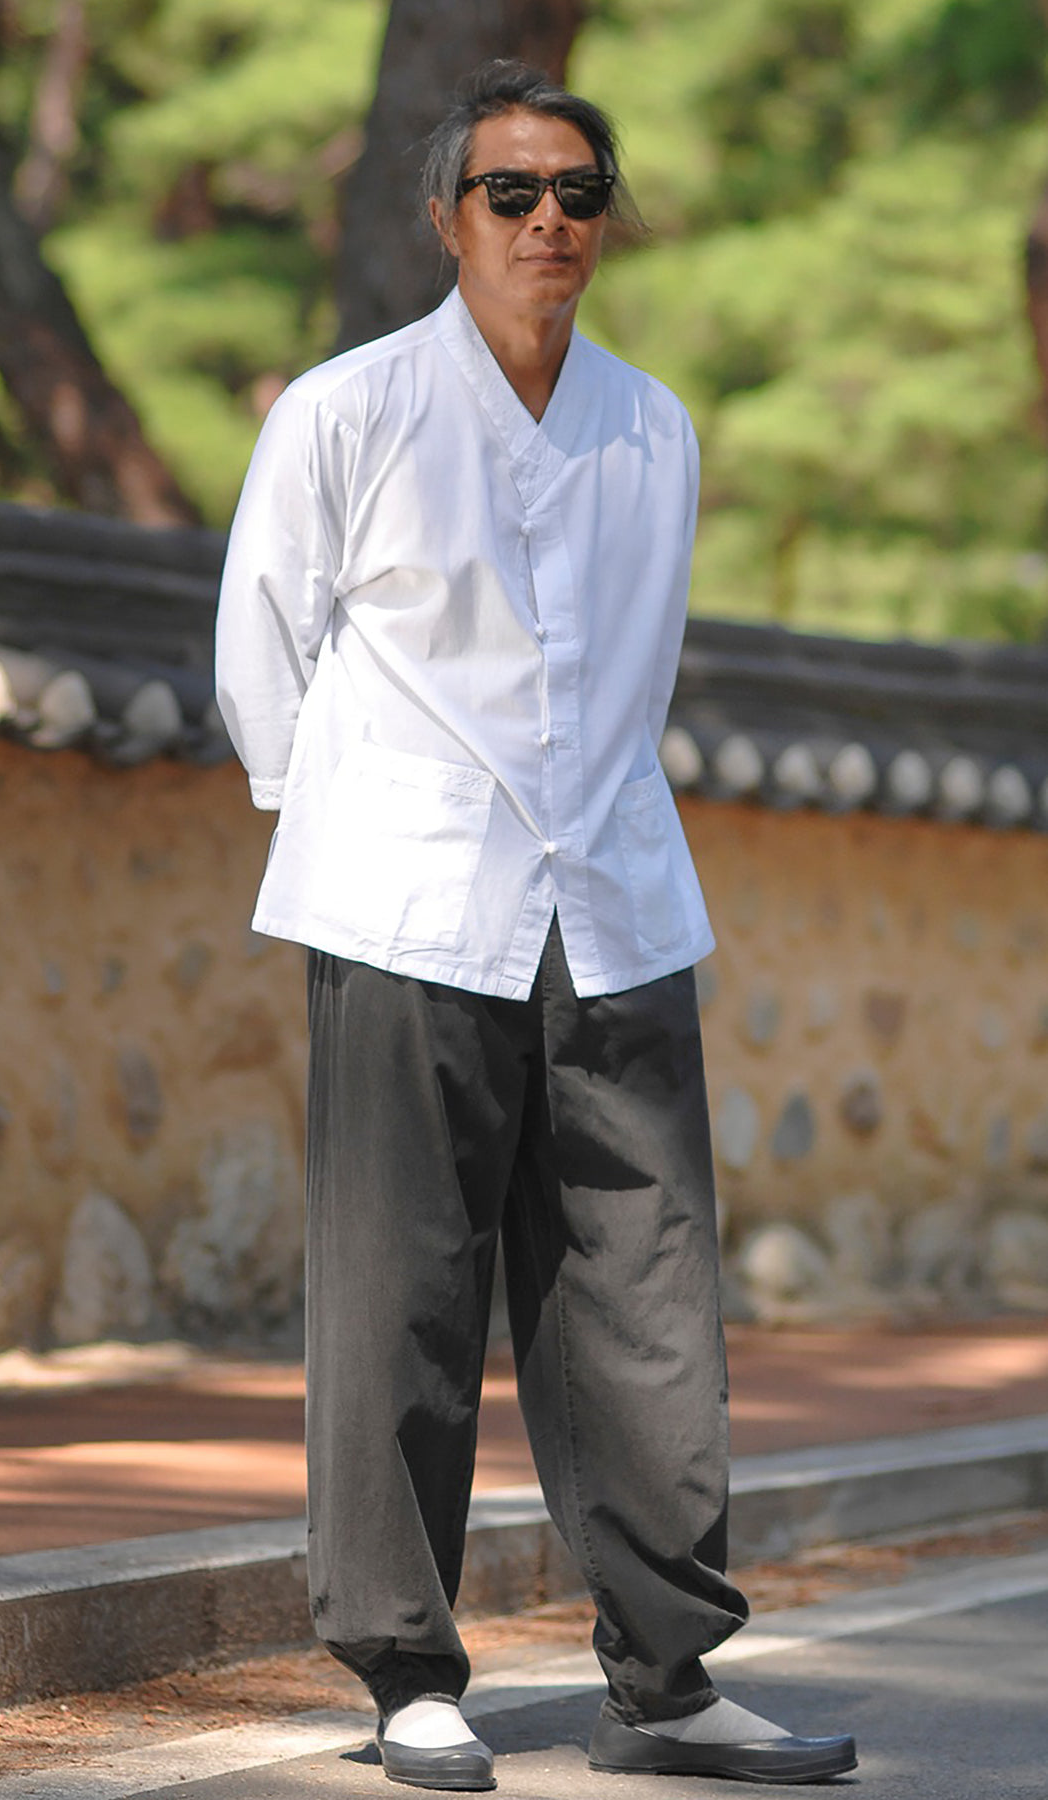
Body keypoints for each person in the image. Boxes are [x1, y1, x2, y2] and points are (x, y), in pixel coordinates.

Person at [216, 58, 856, 1793]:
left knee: (645, 1298)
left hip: (615, 904)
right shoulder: (348, 410)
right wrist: (349, 827)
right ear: (448, 216)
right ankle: (406, 1674)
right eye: (510, 191)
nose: (547, 220)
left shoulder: (653, 426)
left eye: (576, 192)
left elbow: (636, 667)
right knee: (401, 1291)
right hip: (407, 902)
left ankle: (666, 1682)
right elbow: (262, 641)